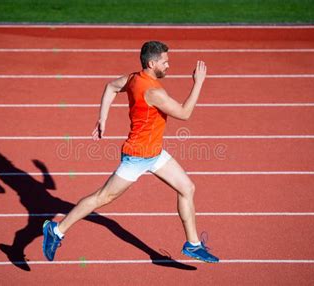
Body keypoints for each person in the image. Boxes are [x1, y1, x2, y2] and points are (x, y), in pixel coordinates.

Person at [42, 41, 219, 263]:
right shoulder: (154, 92)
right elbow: (184, 113)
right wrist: (199, 83)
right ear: (152, 63)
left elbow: (110, 87)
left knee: (187, 187)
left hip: (154, 154)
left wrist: (102, 119)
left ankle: (192, 245)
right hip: (137, 156)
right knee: (102, 197)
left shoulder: (134, 78)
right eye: (165, 62)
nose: (168, 66)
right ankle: (56, 230)